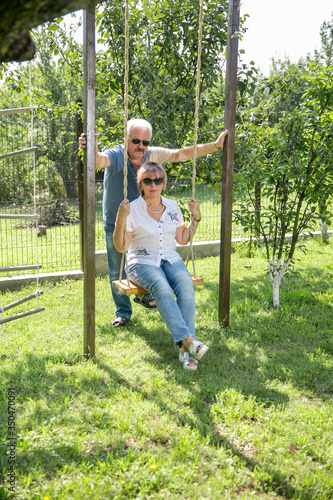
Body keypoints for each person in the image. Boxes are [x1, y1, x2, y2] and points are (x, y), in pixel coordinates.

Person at [79, 119, 228, 328]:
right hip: (118, 221)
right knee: (117, 270)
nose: (141, 146)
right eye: (136, 141)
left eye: (145, 142)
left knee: (150, 258)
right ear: (126, 139)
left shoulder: (151, 154)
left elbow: (179, 154)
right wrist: (90, 149)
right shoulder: (115, 155)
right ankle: (123, 313)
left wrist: (216, 145)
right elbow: (98, 161)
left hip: (145, 222)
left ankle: (144, 293)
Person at [114, 161, 208, 370]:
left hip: (170, 258)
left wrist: (196, 218)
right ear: (141, 184)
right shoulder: (132, 209)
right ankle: (189, 342)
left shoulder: (173, 206)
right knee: (162, 288)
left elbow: (183, 238)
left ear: (163, 183)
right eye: (148, 180)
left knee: (186, 288)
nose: (153, 184)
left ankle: (185, 350)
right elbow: (121, 247)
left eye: (158, 180)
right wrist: (120, 219)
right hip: (142, 261)